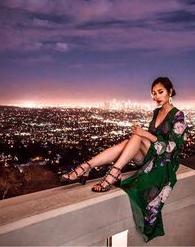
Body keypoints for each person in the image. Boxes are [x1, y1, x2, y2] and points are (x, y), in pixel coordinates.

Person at [60, 77, 187, 242]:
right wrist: (142, 134)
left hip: (164, 162)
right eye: (153, 93)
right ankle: (93, 167)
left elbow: (173, 146)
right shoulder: (157, 112)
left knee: (135, 137)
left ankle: (89, 168)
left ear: (170, 92)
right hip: (149, 156)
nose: (156, 96)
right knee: (132, 140)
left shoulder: (178, 115)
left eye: (160, 92)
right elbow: (148, 139)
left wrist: (144, 134)